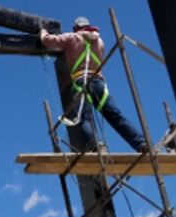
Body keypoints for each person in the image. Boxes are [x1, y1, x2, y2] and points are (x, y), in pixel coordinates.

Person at [39, 17, 147, 153]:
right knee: (115, 116)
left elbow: (47, 41)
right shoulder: (99, 41)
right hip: (98, 82)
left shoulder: (72, 37)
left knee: (83, 118)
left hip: (80, 82)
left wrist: (43, 31)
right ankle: (141, 143)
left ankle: (95, 145)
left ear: (76, 27)